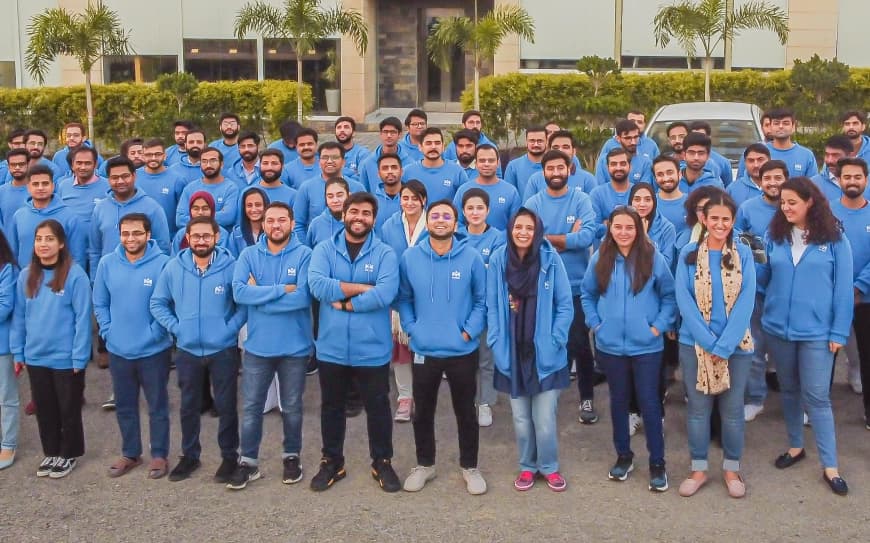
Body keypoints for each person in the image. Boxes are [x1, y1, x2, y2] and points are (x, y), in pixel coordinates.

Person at [758, 177, 852, 496]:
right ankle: (796, 447)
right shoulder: (775, 236)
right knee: (789, 390)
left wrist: (838, 331)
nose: (785, 208)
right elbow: (764, 279)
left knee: (817, 397)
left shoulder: (835, 240)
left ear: (809, 202)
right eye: (782, 203)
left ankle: (831, 466)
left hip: (817, 332)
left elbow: (842, 291)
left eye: (791, 202)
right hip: (778, 330)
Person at [308, 192, 401, 492]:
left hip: (372, 348)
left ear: (374, 218)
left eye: (365, 213)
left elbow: (385, 293)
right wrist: (362, 287)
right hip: (331, 346)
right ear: (344, 214)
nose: (359, 217)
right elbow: (318, 285)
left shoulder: (385, 253)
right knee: (331, 407)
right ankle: (332, 462)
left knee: (378, 408)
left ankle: (382, 462)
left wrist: (347, 303)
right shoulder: (324, 249)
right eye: (354, 212)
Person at [581, 206, 676, 492]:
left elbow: (669, 296)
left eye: (629, 227)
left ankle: (657, 462)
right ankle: (624, 455)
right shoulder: (601, 257)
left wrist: (657, 326)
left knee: (649, 403)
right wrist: (596, 324)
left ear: (639, 229)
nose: (623, 232)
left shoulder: (652, 257)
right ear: (610, 228)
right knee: (618, 402)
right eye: (618, 227)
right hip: (610, 346)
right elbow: (587, 293)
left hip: (647, 346)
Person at [398, 200, 488, 495]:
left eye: (446, 216)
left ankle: (470, 467)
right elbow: (404, 298)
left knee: (465, 411)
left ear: (455, 223)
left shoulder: (471, 257)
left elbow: (481, 299)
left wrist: (468, 332)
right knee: (422, 411)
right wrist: (412, 329)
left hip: (462, 350)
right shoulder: (411, 257)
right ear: (427, 221)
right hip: (425, 349)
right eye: (434, 215)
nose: (439, 220)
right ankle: (425, 464)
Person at [150, 216, 246, 483]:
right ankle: (190, 455)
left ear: (217, 237)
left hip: (223, 350)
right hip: (188, 350)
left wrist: (229, 329)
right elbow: (158, 303)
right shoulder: (173, 268)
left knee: (227, 406)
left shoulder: (232, 267)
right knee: (188, 406)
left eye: (206, 236)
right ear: (188, 238)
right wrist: (177, 328)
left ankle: (229, 457)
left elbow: (244, 305)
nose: (201, 241)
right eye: (196, 236)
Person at [674, 192, 756, 498]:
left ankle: (732, 469)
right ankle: (698, 469)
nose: (720, 224)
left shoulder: (743, 252)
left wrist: (724, 345)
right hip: (694, 345)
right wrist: (707, 341)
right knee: (697, 410)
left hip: (736, 346)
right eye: (714, 218)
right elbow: (683, 299)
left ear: (733, 221)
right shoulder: (688, 253)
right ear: (703, 220)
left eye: (726, 219)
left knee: (732, 410)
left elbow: (747, 299)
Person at [227, 202, 313, 490]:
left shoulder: (305, 255)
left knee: (292, 407)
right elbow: (239, 293)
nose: (276, 225)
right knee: (251, 408)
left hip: (295, 347)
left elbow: (302, 298)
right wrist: (280, 290)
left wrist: (259, 295)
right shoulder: (248, 255)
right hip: (258, 347)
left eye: (282, 220)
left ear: (291, 223)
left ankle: (292, 456)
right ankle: (248, 462)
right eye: (270, 220)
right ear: (262, 224)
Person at [487, 208, 573, 492]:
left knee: (544, 419)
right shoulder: (499, 260)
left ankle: (549, 467)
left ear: (537, 231)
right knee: (521, 419)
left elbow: (565, 304)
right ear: (510, 229)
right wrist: (496, 342)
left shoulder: (550, 259)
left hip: (544, 352)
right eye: (518, 227)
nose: (523, 232)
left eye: (529, 228)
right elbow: (491, 306)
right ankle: (527, 466)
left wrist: (555, 339)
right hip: (512, 350)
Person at [92, 213, 172, 479]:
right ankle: (131, 452)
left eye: (137, 233)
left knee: (157, 405)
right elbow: (100, 303)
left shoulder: (162, 264)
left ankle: (159, 454)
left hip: (154, 350)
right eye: (125, 233)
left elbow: (168, 304)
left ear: (148, 235)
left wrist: (154, 333)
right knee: (125, 405)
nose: (130, 238)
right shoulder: (107, 264)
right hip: (119, 349)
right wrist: (108, 331)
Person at [10, 220, 92, 478]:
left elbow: (82, 318)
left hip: (66, 358)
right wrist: (19, 352)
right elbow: (19, 317)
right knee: (45, 408)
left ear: (61, 243)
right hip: (36, 356)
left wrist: (80, 356)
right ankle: (52, 452)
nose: (43, 244)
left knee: (68, 408)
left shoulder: (75, 275)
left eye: (49, 239)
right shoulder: (26, 275)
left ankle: (69, 454)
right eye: (39, 239)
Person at [524, 150, 598, 424]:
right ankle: (546, 398)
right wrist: (567, 237)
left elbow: (588, 236)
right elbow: (527, 239)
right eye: (550, 168)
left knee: (579, 344)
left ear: (570, 169)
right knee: (544, 342)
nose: (555, 172)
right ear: (543, 172)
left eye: (560, 167)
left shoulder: (581, 199)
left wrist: (549, 238)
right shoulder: (533, 202)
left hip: (576, 285)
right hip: (541, 286)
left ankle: (587, 398)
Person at [378, 181, 428, 422]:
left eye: (414, 199)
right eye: (405, 198)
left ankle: (423, 394)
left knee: (422, 347)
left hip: (428, 295)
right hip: (398, 295)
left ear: (423, 201)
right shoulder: (389, 226)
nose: (409, 203)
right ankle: (405, 397)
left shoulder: (434, 223)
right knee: (400, 349)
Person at [459, 188, 506, 427]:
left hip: (487, 306)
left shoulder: (498, 237)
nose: (475, 212)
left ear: (488, 210)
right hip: (460, 307)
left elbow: (496, 271)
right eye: (470, 208)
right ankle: (467, 401)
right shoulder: (457, 235)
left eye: (480, 208)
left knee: (486, 358)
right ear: (463, 211)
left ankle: (485, 402)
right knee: (464, 358)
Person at [829, 157, 870, 408]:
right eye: (847, 177)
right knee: (825, 356)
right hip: (832, 297)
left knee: (868, 356)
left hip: (866, 299)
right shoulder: (825, 212)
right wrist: (842, 289)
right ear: (839, 180)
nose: (852, 181)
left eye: (857, 177)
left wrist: (858, 287)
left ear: (865, 179)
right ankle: (814, 409)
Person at [89, 157, 171, 275]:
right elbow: (94, 250)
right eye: (115, 178)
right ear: (108, 180)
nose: (120, 181)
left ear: (134, 176)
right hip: (109, 276)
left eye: (125, 176)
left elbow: (163, 247)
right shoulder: (100, 208)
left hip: (144, 277)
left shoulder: (153, 208)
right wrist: (95, 279)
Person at [453, 144, 521, 231]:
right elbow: (457, 222)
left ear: (498, 162)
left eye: (491, 160)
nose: (486, 164)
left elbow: (515, 225)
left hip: (502, 244)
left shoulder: (511, 192)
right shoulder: (463, 190)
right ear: (476, 163)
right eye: (482, 160)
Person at [176, 147, 240, 229]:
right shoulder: (190, 188)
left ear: (222, 164)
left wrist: (195, 216)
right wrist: (215, 215)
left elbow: (227, 217)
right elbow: (180, 219)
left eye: (213, 160)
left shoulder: (230, 188)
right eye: (204, 161)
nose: (208, 165)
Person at [402, 128, 469, 203]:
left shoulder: (457, 172)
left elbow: (465, 202)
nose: (433, 147)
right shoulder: (407, 172)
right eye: (428, 143)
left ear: (443, 146)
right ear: (420, 147)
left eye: (437, 143)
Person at [0, 230, 18, 470]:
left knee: (6, 397)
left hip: (2, 345)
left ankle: (8, 443)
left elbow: (5, 306)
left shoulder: (6, 270)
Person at [171, 192, 231, 256]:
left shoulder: (222, 234)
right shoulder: (181, 234)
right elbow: (174, 259)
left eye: (205, 209)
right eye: (196, 208)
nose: (200, 212)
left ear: (212, 211)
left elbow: (222, 258)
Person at [504, 126, 547, 197]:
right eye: (532, 141)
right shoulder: (513, 166)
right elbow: (509, 195)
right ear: (526, 142)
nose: (536, 144)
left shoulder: (554, 167)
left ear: (546, 142)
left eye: (540, 141)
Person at [229, 187, 269, 257]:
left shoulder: (272, 232)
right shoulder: (236, 235)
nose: (253, 209)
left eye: (258, 205)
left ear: (266, 206)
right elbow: (232, 262)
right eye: (249, 205)